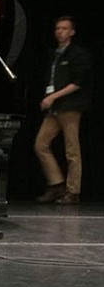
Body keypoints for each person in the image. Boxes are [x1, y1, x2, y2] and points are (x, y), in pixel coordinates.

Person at [33, 14, 93, 205]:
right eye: (58, 28)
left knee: (72, 150)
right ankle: (56, 183)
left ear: (72, 32)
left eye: (65, 28)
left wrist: (52, 96)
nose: (60, 32)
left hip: (70, 106)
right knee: (40, 144)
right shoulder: (54, 54)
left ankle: (73, 191)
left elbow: (78, 83)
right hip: (55, 108)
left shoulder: (78, 54)